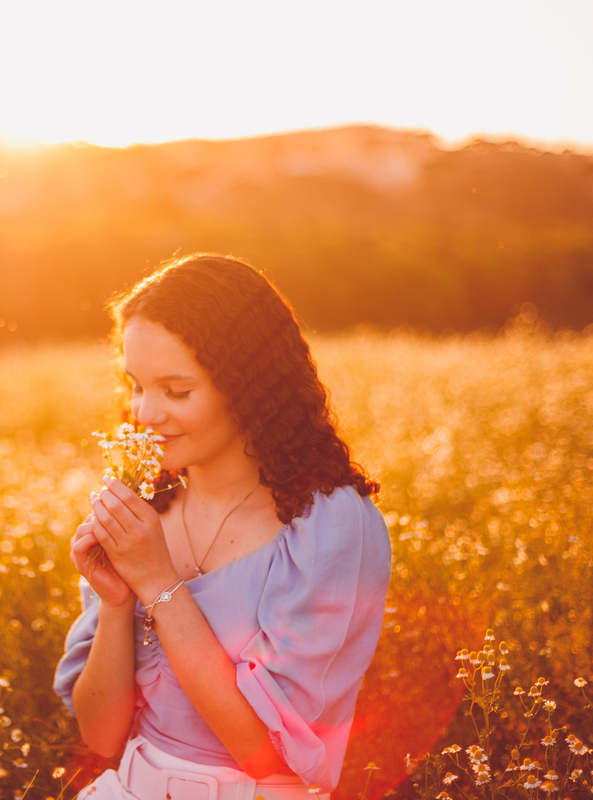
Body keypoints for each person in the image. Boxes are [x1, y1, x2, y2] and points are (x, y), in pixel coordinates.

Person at [54, 254, 391, 800]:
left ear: (248, 385)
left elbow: (266, 756)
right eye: (136, 385)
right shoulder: (147, 506)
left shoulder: (329, 527)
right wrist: (117, 602)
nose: (144, 414)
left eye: (177, 391)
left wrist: (159, 585)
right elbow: (100, 735)